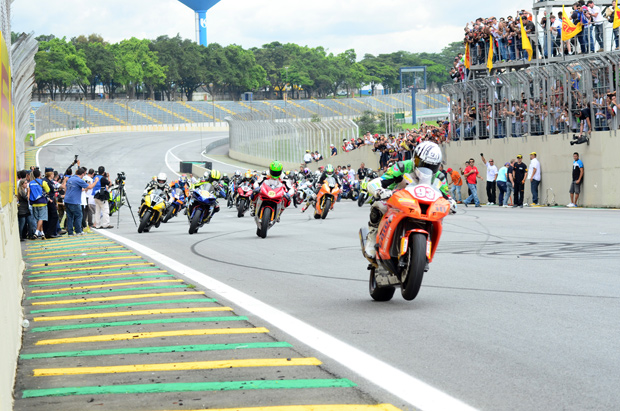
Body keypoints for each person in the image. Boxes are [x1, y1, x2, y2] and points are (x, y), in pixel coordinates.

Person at [363, 141, 452, 260]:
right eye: (423, 164)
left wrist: (451, 202)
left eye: (431, 166)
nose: (426, 168)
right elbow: (382, 180)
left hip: (422, 206)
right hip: (397, 200)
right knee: (378, 205)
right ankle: (372, 236)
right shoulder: (402, 166)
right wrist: (379, 190)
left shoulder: (439, 177)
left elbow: (446, 195)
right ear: (415, 158)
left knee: (440, 217)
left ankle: (424, 247)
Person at [65, 167, 99, 236]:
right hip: (74, 201)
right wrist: (96, 181)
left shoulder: (70, 179)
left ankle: (70, 232)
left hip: (67, 200)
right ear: (83, 174)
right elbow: (90, 187)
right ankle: (78, 231)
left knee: (70, 216)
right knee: (79, 215)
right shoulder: (79, 180)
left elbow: (67, 188)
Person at [28, 168, 50, 239]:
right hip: (42, 202)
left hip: (34, 203)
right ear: (40, 174)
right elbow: (48, 190)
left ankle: (42, 233)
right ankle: (36, 232)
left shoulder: (30, 183)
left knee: (38, 219)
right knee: (41, 218)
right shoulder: (42, 182)